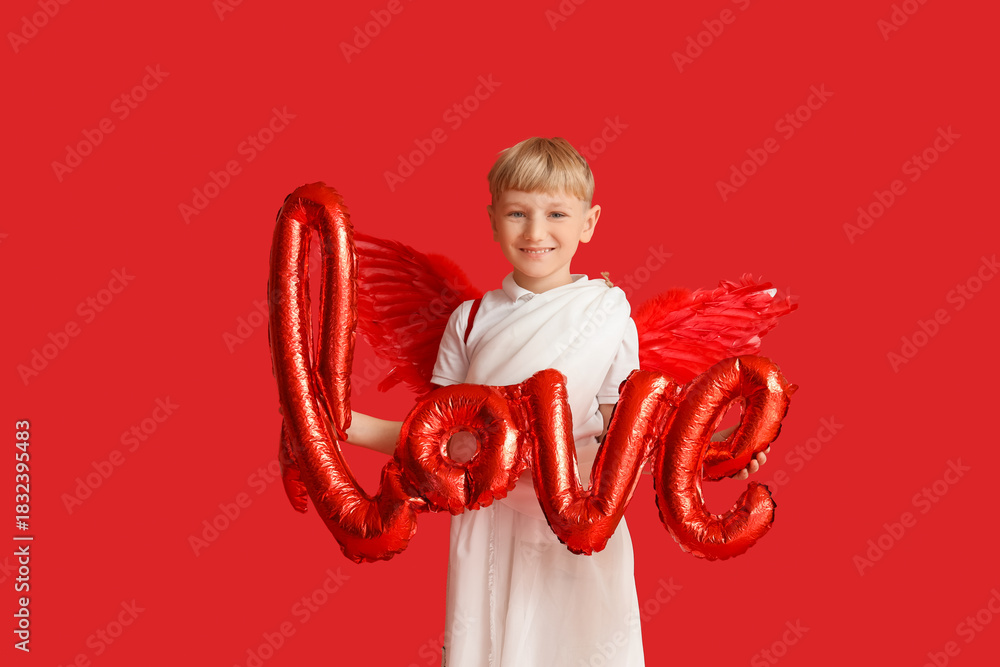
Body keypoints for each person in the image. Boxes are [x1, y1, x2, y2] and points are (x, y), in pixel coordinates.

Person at [345, 137, 766, 666]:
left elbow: (632, 437)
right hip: (490, 516)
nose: (536, 232)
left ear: (588, 223)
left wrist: (720, 448)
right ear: (493, 220)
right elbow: (433, 441)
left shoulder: (608, 314)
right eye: (518, 212)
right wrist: (342, 425)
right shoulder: (469, 321)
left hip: (579, 511)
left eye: (556, 213)